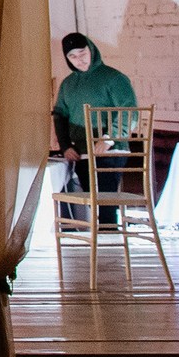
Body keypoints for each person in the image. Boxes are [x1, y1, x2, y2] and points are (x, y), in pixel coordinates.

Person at [54, 32, 138, 221]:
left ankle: (109, 232)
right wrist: (65, 146)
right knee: (93, 204)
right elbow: (59, 116)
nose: (79, 60)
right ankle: (100, 235)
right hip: (81, 152)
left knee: (105, 203)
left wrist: (109, 139)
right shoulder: (68, 84)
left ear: (91, 50)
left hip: (110, 151)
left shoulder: (114, 78)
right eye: (73, 56)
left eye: (82, 53)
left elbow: (129, 110)